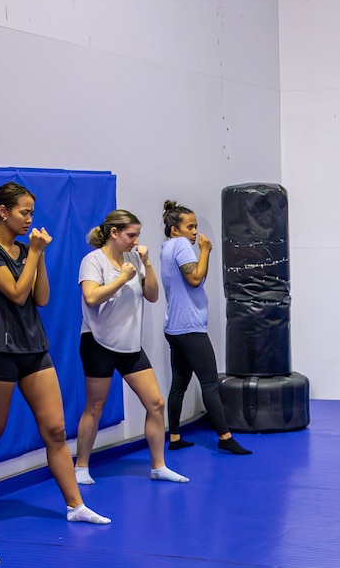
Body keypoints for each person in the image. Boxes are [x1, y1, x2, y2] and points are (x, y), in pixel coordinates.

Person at [0, 181, 110, 527]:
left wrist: (38, 254)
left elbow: (40, 298)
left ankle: (76, 505)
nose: (30, 218)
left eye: (32, 212)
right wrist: (33, 253)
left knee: (56, 430)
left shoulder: (25, 249)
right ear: (3, 212)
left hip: (34, 350)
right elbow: (16, 294)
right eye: (24, 212)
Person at [73, 208, 189, 486]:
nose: (135, 241)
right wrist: (122, 279)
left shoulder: (133, 260)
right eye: (130, 235)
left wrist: (146, 264)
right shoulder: (93, 261)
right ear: (114, 233)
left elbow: (151, 296)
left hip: (130, 344)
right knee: (95, 406)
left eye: (137, 235)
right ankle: (81, 466)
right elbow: (91, 297)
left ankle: (158, 466)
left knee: (156, 403)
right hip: (98, 342)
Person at [158, 200, 249, 456]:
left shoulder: (166, 247)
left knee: (179, 383)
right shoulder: (182, 246)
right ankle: (225, 436)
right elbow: (196, 278)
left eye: (196, 226)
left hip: (174, 326)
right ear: (175, 230)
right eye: (190, 227)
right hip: (190, 327)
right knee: (210, 383)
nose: (195, 232)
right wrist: (205, 251)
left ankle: (174, 436)